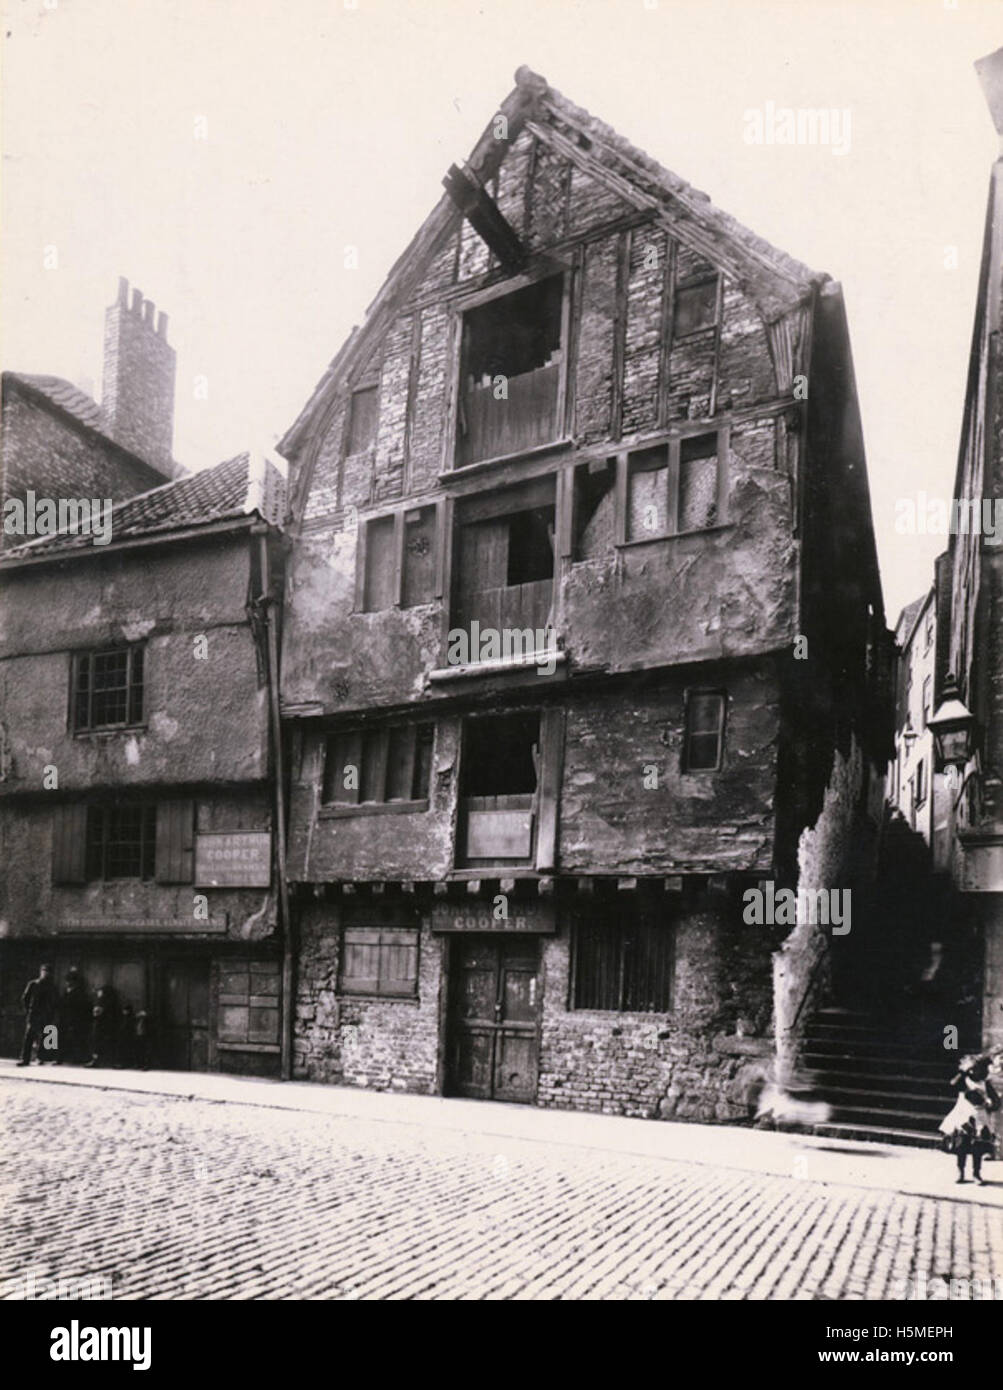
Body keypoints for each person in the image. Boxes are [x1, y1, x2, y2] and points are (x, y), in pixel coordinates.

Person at [939, 1054, 1000, 1185]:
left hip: (980, 1119)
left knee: (977, 1148)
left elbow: (996, 1100)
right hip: (963, 1118)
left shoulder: (985, 1083)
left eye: (977, 1069)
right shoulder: (963, 1081)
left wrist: (991, 1104)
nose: (973, 1072)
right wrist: (962, 1072)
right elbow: (952, 1084)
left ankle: (976, 1173)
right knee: (962, 1146)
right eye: (971, 1069)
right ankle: (960, 1171)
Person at [16, 963, 58, 1066]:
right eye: (44, 971)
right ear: (41, 972)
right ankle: (25, 1058)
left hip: (47, 1014)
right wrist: (28, 1010)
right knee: (29, 1036)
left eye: (48, 972)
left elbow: (56, 1001)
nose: (46, 974)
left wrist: (52, 1012)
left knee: (46, 1036)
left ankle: (41, 1058)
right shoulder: (33, 984)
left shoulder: (52, 986)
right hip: (34, 1014)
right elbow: (25, 998)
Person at [57, 967, 91, 1065]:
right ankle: (60, 1058)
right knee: (61, 1038)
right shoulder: (66, 991)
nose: (67, 983)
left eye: (69, 981)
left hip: (75, 1019)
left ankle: (76, 1058)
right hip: (64, 1018)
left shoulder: (79, 993)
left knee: (76, 1039)